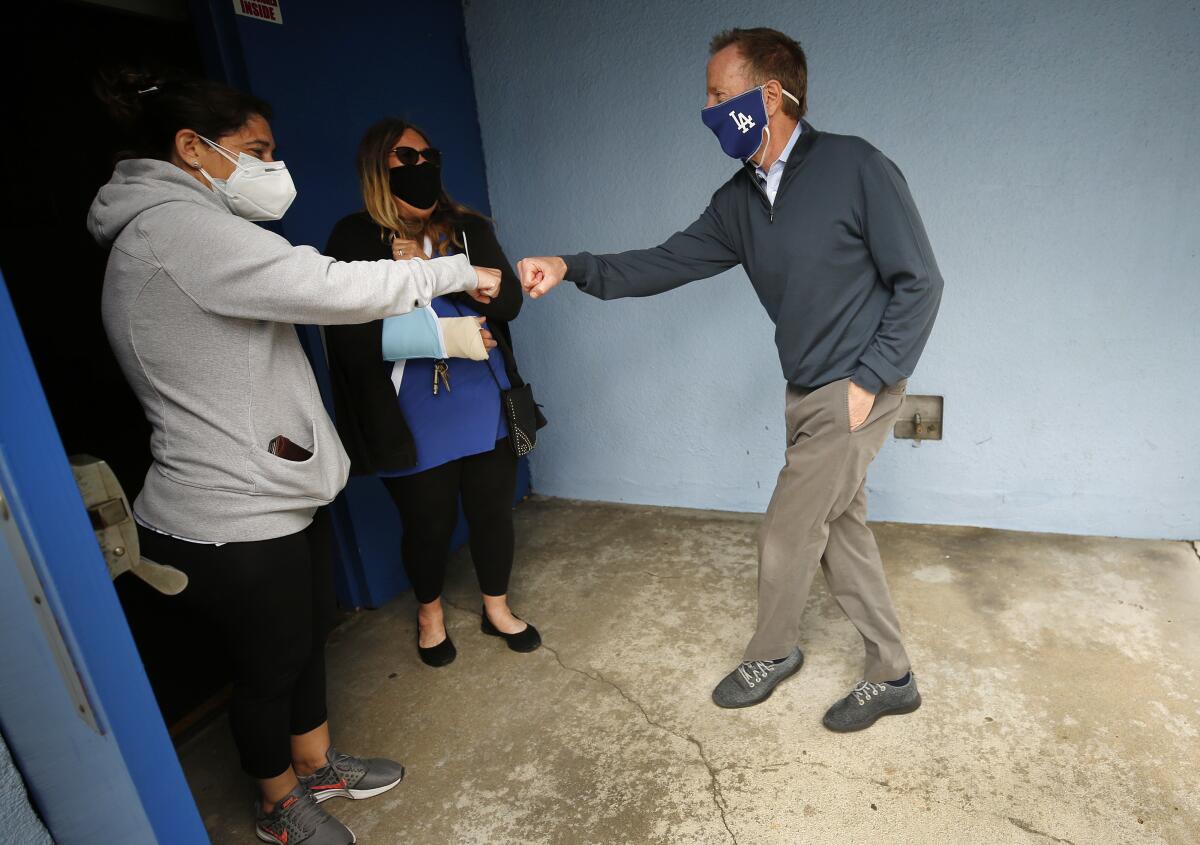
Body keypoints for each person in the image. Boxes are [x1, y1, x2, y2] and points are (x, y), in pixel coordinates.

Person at [87, 69, 501, 845]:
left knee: (304, 639)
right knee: (270, 664)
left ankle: (314, 763)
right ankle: (278, 801)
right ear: (192, 149)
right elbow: (326, 286)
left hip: (275, 491)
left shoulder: (192, 224)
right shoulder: (172, 230)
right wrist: (454, 269)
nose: (273, 167)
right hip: (229, 509)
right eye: (256, 150)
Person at [518, 28, 943, 731]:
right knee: (841, 530)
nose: (708, 109)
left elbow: (919, 282)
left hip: (854, 389)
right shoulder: (739, 202)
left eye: (720, 95)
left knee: (786, 530)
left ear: (769, 95)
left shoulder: (855, 167)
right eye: (708, 97)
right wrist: (570, 266)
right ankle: (893, 671)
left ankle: (772, 652)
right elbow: (662, 263)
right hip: (803, 389)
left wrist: (871, 378)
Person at [323, 118, 541, 668]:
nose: (423, 166)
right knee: (429, 522)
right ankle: (430, 614)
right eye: (406, 157)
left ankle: (497, 607)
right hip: (410, 407)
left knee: (492, 511)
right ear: (378, 165)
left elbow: (508, 303)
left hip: (481, 395)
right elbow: (350, 341)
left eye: (428, 155)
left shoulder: (466, 228)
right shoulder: (354, 238)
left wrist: (453, 274)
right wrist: (443, 331)